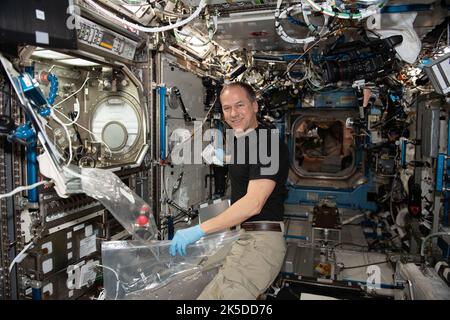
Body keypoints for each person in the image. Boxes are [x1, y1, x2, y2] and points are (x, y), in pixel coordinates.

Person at [169, 82, 289, 299]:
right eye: (227, 108)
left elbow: (254, 203)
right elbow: (252, 167)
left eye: (240, 105)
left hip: (261, 242)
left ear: (255, 106)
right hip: (244, 235)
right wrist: (225, 159)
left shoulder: (267, 143)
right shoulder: (248, 139)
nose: (233, 113)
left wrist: (199, 230)